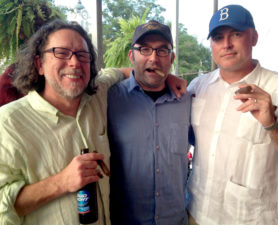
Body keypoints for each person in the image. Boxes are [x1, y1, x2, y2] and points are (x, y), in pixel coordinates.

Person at [0, 19, 127, 225]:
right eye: (61, 52)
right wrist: (61, 183)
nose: (74, 62)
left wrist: (167, 79)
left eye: (82, 55)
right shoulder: (7, 124)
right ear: (39, 64)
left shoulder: (97, 97)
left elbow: (120, 72)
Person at [187, 4, 278, 225]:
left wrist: (273, 124)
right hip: (197, 213)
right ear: (211, 44)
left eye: (236, 34)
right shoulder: (197, 87)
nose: (226, 44)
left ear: (254, 37)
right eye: (218, 37)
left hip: (253, 219)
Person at [107, 20, 192, 225]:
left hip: (175, 219)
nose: (153, 58)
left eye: (162, 50)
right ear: (131, 56)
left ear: (171, 58)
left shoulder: (188, 101)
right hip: (126, 220)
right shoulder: (109, 98)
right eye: (145, 49)